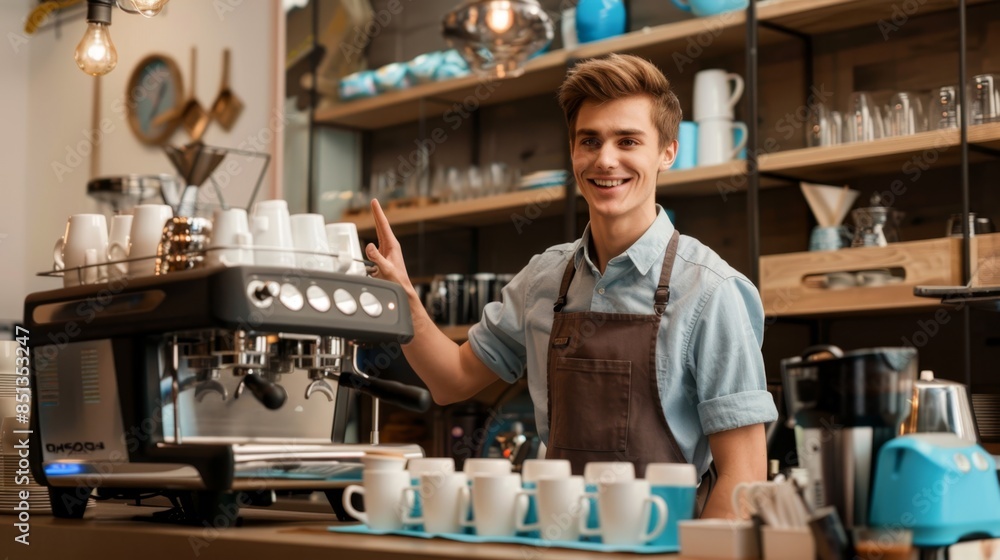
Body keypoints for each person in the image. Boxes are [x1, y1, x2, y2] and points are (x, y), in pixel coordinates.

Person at [364, 53, 777, 519]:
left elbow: (743, 480)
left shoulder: (711, 290)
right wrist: (401, 297)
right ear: (573, 151)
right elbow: (450, 381)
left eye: (628, 141)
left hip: (666, 547)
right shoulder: (545, 278)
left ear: (667, 152)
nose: (605, 160)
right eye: (590, 141)